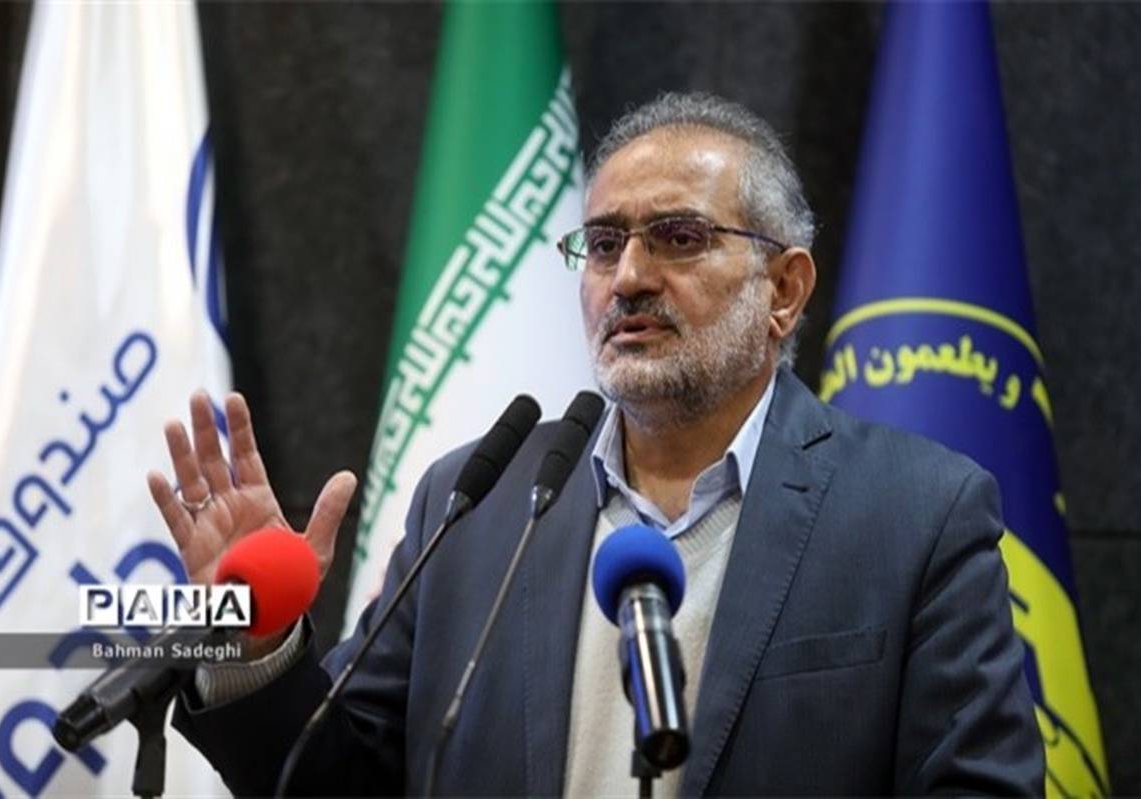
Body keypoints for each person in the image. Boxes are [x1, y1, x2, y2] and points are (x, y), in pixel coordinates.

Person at [150, 93, 1044, 796]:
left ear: (783, 289)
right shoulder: (476, 502)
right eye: (604, 243)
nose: (629, 277)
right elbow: (331, 779)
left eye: (679, 238)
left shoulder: (916, 513)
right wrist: (259, 642)